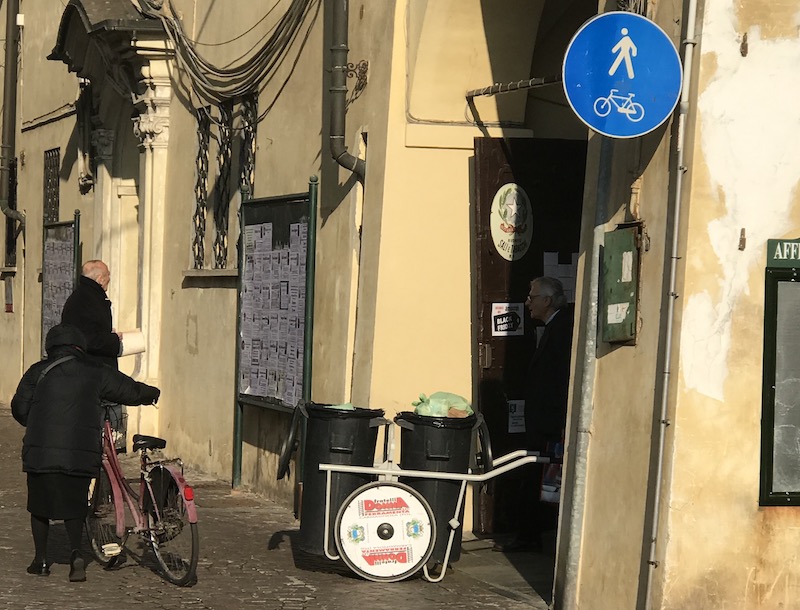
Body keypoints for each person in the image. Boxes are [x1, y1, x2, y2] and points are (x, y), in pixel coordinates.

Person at [11, 324, 160, 582]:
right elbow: (128, 389)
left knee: (39, 505)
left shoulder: (38, 371)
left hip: (41, 452)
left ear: (51, 346)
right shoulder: (95, 372)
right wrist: (151, 394)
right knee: (75, 504)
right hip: (79, 453)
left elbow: (19, 408)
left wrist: (39, 425)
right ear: (80, 346)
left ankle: (41, 560)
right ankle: (76, 554)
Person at [495, 276, 574, 553]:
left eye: (532, 297)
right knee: (539, 477)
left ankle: (534, 535)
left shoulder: (562, 329)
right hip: (544, 423)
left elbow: (563, 379)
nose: (528, 302)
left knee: (543, 479)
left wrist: (563, 420)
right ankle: (532, 534)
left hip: (551, 424)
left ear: (548, 301)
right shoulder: (554, 328)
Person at [61, 260, 126, 449]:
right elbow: (89, 339)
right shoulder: (89, 300)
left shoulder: (83, 297)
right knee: (97, 423)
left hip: (89, 370)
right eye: (107, 279)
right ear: (99, 279)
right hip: (94, 371)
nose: (108, 283)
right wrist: (113, 340)